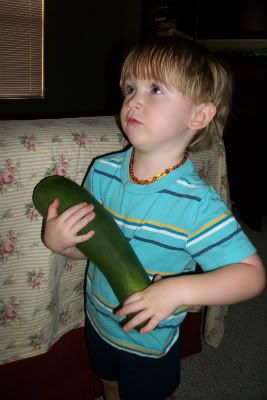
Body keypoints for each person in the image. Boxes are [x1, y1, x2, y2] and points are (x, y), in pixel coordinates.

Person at [42, 36, 265, 400]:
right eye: (130, 88)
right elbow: (91, 248)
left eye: (156, 88)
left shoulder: (197, 204)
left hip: (151, 339)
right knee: (109, 383)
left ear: (199, 115)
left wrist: (177, 290)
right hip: (99, 319)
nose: (134, 99)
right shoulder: (102, 171)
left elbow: (252, 275)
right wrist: (62, 244)